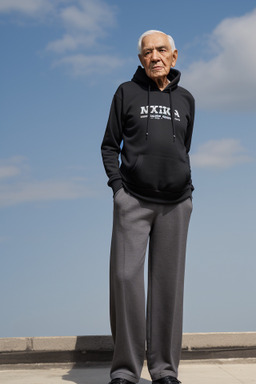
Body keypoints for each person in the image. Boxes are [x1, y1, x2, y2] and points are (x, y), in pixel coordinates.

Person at [101, 30, 195, 384]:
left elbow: (183, 147)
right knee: (125, 279)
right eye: (146, 52)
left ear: (174, 56)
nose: (154, 57)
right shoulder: (126, 92)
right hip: (133, 200)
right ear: (140, 59)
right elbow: (109, 145)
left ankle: (164, 371)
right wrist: (118, 190)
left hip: (176, 204)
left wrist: (187, 191)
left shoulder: (186, 99)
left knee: (168, 285)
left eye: (160, 50)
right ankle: (125, 371)